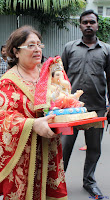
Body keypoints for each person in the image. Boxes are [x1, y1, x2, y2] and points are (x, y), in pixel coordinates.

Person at [0, 26, 67, 200]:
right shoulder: (9, 82)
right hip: (22, 157)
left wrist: (70, 116)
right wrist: (32, 124)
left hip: (48, 149)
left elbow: (61, 101)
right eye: (31, 45)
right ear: (16, 52)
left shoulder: (47, 75)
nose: (37, 49)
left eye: (39, 44)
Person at [61, 10, 110, 199]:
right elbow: (59, 78)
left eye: (92, 22)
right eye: (84, 22)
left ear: (97, 25)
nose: (88, 25)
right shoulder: (69, 48)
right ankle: (57, 183)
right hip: (69, 110)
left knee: (94, 149)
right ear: (79, 25)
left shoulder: (106, 49)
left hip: (96, 109)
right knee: (63, 149)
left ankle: (89, 182)